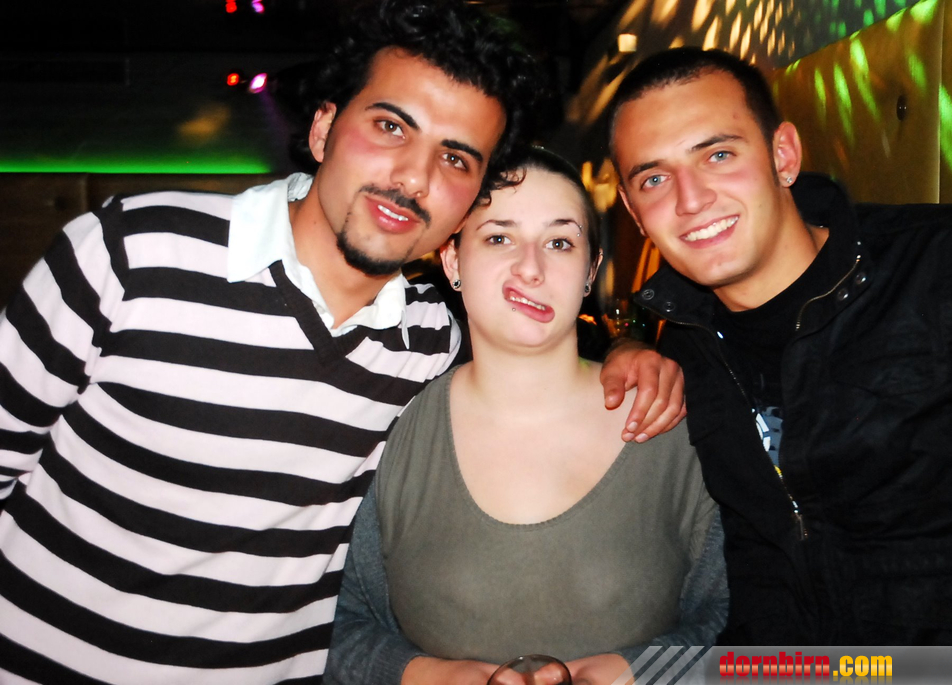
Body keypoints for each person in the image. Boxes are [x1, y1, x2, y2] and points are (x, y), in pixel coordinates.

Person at [0, 3, 685, 683]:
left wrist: (628, 349)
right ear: (324, 127)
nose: (413, 178)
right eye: (391, 127)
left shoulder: (426, 341)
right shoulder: (134, 253)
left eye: (455, 158)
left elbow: (531, 345)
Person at [608, 46, 952, 645]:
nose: (690, 199)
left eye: (718, 155)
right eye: (654, 178)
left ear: (783, 155)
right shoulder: (688, 344)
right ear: (632, 209)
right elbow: (756, 572)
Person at [322, 147, 728, 685]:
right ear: (452, 260)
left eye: (560, 242)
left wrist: (637, 672)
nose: (531, 269)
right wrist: (431, 676)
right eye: (499, 238)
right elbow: (332, 625)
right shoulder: (388, 429)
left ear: (590, 270)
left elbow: (744, 627)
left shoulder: (669, 421)